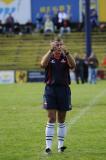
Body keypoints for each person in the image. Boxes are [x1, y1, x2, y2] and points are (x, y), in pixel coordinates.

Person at [40, 37, 76, 154]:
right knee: (51, 118)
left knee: (61, 119)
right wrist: (50, 51)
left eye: (60, 44)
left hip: (64, 90)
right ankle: (48, 147)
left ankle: (60, 146)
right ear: (52, 45)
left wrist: (67, 52)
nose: (58, 47)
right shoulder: (49, 56)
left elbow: (73, 65)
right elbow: (42, 64)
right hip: (50, 90)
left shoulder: (66, 57)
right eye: (56, 44)